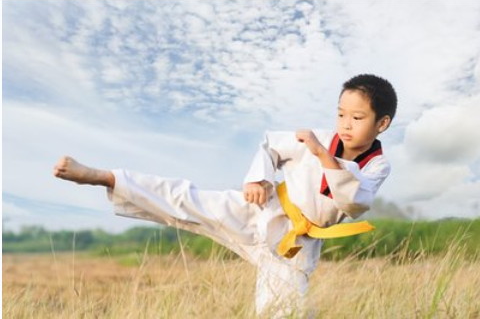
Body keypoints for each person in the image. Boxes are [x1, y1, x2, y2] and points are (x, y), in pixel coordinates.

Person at [53, 74, 397, 318]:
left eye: (356, 117)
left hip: (295, 247)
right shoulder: (318, 136)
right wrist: (259, 179)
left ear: (381, 124)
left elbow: (355, 201)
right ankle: (105, 177)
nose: (345, 124)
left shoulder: (376, 165)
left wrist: (322, 154)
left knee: (280, 312)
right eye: (340, 114)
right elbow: (270, 145)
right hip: (262, 210)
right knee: (186, 200)